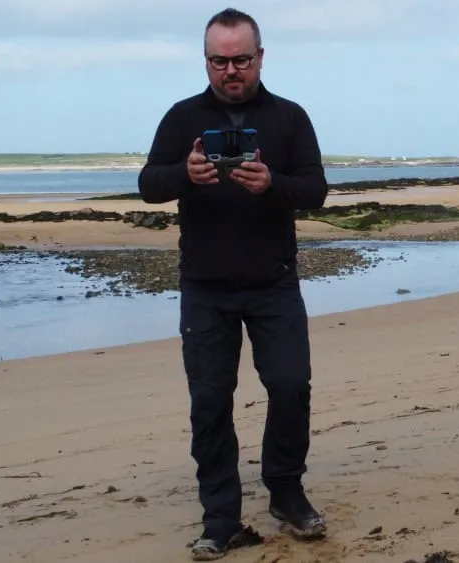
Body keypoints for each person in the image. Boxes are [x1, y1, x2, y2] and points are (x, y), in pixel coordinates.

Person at [137, 7, 329, 561]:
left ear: (260, 57)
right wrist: (184, 175)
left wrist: (272, 185)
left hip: (275, 284)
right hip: (206, 288)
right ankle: (220, 517)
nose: (230, 70)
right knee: (209, 403)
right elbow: (148, 184)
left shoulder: (290, 118)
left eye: (240, 59)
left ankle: (286, 493)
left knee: (291, 388)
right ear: (206, 61)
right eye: (219, 61)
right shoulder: (182, 117)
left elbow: (315, 188)